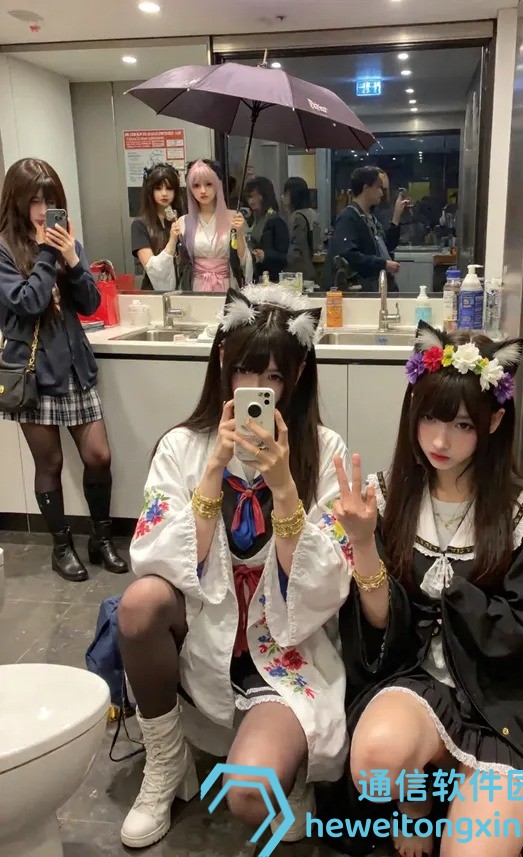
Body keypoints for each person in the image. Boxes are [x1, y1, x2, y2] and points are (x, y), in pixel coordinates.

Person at [319, 322, 523, 857]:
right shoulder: (389, 496)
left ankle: (463, 777)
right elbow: (379, 628)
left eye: (462, 424)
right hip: (416, 685)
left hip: (496, 704)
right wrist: (363, 543)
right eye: (429, 417)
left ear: (494, 421)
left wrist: (456, 598)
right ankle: (417, 797)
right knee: (375, 760)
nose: (440, 441)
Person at [117, 284, 353, 849]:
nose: (257, 387)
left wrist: (285, 487)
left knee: (251, 795)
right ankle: (166, 761)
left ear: (297, 376)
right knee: (139, 604)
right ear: (223, 361)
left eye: (273, 376)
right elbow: (154, 556)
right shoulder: (182, 446)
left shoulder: (326, 452)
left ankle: (293, 761)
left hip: (284, 644)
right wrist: (213, 471)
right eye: (246, 370)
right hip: (205, 634)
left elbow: (326, 582)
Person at [0, 158, 127, 581]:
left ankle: (101, 539)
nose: (42, 209)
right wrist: (46, 254)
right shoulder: (4, 249)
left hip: (74, 366)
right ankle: (61, 547)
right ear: (17, 201)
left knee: (99, 456)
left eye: (50, 199)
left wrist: (72, 258)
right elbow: (27, 303)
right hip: (33, 373)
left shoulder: (66, 241)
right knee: (50, 463)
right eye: (34, 200)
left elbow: (90, 304)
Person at [163, 159, 251, 293]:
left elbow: (243, 260)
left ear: (217, 185)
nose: (203, 191)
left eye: (208, 184)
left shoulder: (234, 217)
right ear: (190, 189)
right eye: (196, 185)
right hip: (196, 287)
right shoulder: (183, 222)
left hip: (228, 286)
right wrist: (172, 238)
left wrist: (239, 232)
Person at [324, 166, 410, 292]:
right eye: (378, 187)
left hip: (376, 286)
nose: (381, 193)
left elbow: (387, 246)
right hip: (360, 289)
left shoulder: (370, 218)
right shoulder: (348, 217)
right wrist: (383, 264)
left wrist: (396, 216)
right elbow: (349, 255)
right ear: (366, 188)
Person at [130, 163, 182, 291]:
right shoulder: (140, 225)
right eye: (158, 188)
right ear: (150, 191)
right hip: (154, 292)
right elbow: (152, 268)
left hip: (184, 288)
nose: (164, 193)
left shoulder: (181, 219)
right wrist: (172, 240)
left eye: (169, 188)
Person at [245, 177, 290, 283]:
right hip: (256, 277)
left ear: (264, 196)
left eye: (253, 196)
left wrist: (265, 255)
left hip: (272, 279)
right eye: (248, 197)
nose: (250, 201)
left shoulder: (276, 221)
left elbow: (285, 257)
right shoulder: (253, 219)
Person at [283, 176, 320, 282]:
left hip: (298, 275)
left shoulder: (296, 217)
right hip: (311, 269)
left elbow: (295, 252)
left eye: (285, 194)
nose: (283, 197)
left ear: (291, 195)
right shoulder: (312, 214)